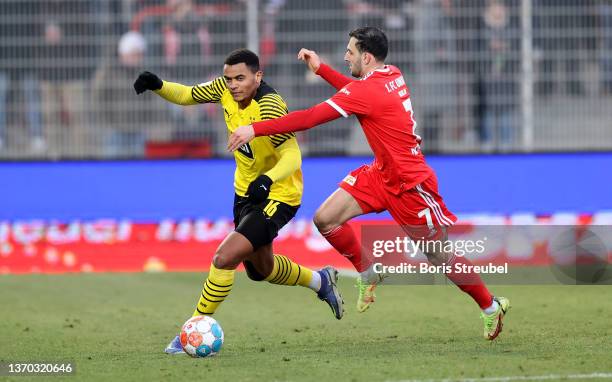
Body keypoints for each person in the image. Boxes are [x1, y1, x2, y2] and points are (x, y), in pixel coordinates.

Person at [228, 27, 510, 340]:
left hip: (410, 184)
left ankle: (490, 307)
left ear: (367, 56)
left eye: (350, 51)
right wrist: (322, 70)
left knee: (438, 255)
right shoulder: (390, 74)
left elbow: (309, 118)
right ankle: (368, 270)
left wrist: (256, 129)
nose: (346, 55)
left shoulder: (367, 91)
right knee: (326, 219)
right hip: (381, 174)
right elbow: (356, 93)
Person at [134, 48, 344, 354]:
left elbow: (292, 154)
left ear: (258, 77)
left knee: (224, 257)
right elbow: (188, 95)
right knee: (262, 270)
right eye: (229, 78)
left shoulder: (270, 106)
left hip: (277, 195)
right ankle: (320, 281)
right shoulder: (224, 89)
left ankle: (192, 328)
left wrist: (267, 180)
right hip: (245, 193)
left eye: (240, 78)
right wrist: (158, 85)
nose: (233, 84)